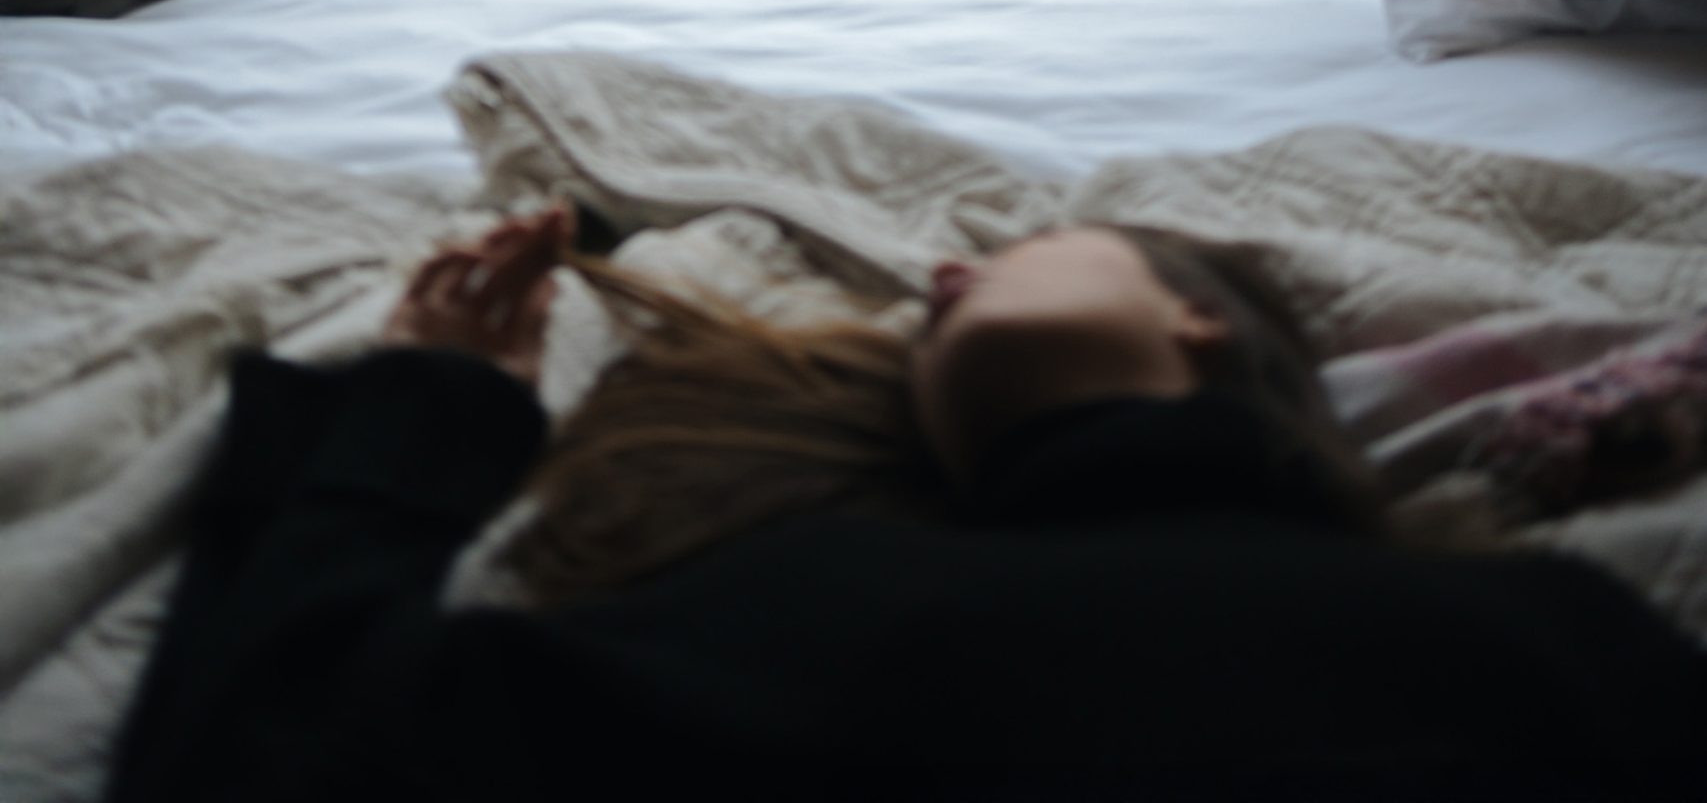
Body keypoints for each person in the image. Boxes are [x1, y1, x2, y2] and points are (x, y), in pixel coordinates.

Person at [106, 205, 1706, 803]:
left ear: (1199, 315)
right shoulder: (804, 605)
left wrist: (410, 429)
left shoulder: (1562, 625)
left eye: (1010, 249)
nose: (943, 267)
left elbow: (261, 736)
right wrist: (441, 401)